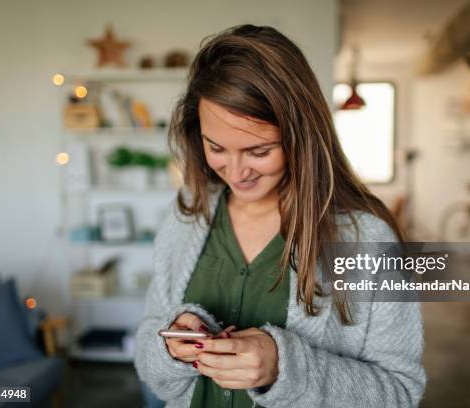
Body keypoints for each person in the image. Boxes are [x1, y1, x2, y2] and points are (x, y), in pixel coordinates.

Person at [134, 24, 425, 408]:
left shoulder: (368, 238)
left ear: (300, 136)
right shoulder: (188, 215)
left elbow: (400, 394)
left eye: (259, 151)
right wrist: (172, 347)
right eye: (216, 147)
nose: (237, 172)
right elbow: (146, 354)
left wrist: (284, 369)